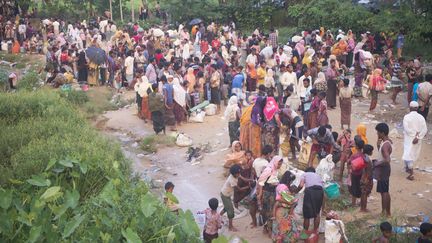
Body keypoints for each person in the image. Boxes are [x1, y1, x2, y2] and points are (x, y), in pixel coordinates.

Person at [257, 155, 284, 235]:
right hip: (267, 193)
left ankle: (267, 228)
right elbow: (261, 181)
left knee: (269, 210)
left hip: (272, 192)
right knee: (269, 211)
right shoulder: (269, 170)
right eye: (279, 164)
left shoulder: (274, 169)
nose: (280, 166)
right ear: (275, 162)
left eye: (281, 164)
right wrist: (260, 193)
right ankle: (269, 229)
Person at [402, 101, 428, 181]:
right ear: (417, 108)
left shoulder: (406, 117)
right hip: (417, 139)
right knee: (412, 154)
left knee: (408, 153)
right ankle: (407, 168)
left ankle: (411, 173)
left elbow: (406, 129)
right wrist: (418, 137)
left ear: (410, 108)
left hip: (409, 138)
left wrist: (413, 135)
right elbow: (425, 129)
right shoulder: (421, 117)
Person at [272, 171, 299, 242]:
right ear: (288, 179)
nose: (291, 182)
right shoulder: (283, 187)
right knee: (285, 230)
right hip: (283, 211)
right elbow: (281, 199)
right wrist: (291, 203)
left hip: (281, 210)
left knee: (280, 230)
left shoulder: (280, 185)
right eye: (291, 180)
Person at [295, 167, 324, 234]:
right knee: (317, 213)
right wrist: (323, 206)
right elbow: (323, 191)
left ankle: (305, 234)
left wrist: (295, 191)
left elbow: (301, 185)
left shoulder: (304, 174)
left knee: (307, 215)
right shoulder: (318, 176)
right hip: (320, 192)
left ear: (306, 171)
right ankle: (315, 232)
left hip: (310, 191)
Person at [234, 150, 258, 227]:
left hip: (247, 180)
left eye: (249, 155)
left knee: (249, 194)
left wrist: (250, 180)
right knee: (237, 195)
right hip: (244, 180)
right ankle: (237, 208)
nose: (248, 156)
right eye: (247, 155)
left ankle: (254, 222)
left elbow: (252, 173)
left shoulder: (252, 162)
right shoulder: (244, 162)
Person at [374, 123, 392, 217]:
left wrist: (377, 163)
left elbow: (387, 159)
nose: (377, 134)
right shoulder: (387, 142)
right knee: (384, 191)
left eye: (378, 132)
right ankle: (385, 211)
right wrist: (378, 146)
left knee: (384, 191)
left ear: (383, 133)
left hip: (383, 170)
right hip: (385, 170)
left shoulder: (385, 145)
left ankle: (386, 212)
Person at [220, 164, 242, 231]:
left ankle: (218, 216)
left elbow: (242, 177)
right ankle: (230, 227)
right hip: (225, 195)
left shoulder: (236, 175)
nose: (239, 175)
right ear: (234, 174)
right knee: (231, 211)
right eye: (238, 174)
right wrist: (246, 187)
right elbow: (238, 189)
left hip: (226, 194)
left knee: (226, 208)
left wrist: (248, 180)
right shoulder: (232, 180)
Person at [347, 136, 364, 207]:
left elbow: (348, 162)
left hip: (354, 174)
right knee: (361, 188)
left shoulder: (354, 155)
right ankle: (361, 202)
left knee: (354, 188)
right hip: (361, 173)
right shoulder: (364, 155)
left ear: (356, 146)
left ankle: (353, 204)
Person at [360, 144, 374, 212]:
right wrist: (367, 179)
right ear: (369, 152)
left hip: (363, 177)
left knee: (363, 193)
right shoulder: (368, 160)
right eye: (372, 151)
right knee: (365, 193)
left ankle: (362, 208)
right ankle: (364, 208)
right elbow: (368, 171)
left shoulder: (363, 157)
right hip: (367, 178)